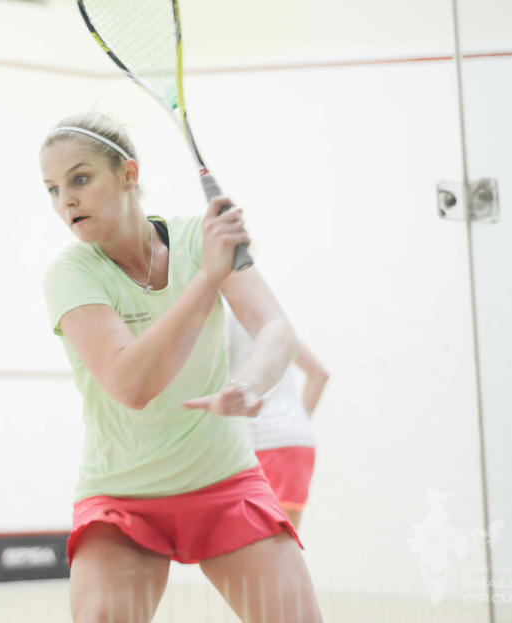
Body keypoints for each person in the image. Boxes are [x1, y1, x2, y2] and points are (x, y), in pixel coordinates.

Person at [41, 113, 322, 623]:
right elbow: (131, 386)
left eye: (80, 179)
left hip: (225, 481)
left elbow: (276, 329)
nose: (67, 201)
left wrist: (248, 384)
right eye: (53, 189)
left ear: (129, 174)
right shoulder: (71, 272)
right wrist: (208, 277)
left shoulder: (198, 238)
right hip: (123, 498)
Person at [226, 305, 329, 528]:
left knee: (248, 542)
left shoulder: (224, 314)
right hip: (297, 443)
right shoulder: (272, 322)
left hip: (261, 446)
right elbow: (319, 374)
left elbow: (217, 381)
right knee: (286, 542)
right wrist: (297, 420)